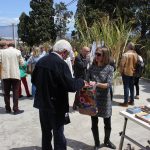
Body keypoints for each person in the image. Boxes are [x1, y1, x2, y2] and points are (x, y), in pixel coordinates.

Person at [31, 39, 85, 150]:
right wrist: (82, 82)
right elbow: (71, 86)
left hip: (43, 104)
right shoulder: (61, 64)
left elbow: (34, 80)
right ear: (63, 51)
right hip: (56, 106)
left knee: (46, 133)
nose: (67, 57)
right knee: (58, 134)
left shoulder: (41, 61)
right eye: (67, 54)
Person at [86, 47, 116, 150]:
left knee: (107, 122)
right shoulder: (91, 67)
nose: (96, 56)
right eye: (96, 54)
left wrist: (96, 83)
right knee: (94, 122)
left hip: (105, 99)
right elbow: (86, 79)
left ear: (105, 56)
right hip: (93, 98)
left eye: (99, 54)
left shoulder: (110, 69)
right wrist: (87, 84)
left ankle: (107, 141)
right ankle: (97, 143)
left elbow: (108, 84)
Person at [0, 43, 24, 114]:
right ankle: (15, 109)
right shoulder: (17, 51)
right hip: (15, 74)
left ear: (8, 46)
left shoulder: (2, 52)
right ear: (14, 46)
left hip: (5, 74)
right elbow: (22, 63)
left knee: (6, 92)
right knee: (15, 92)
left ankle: (7, 108)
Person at [119, 42, 138, 107]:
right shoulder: (136, 54)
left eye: (127, 45)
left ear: (129, 47)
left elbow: (122, 64)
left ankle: (126, 102)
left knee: (126, 87)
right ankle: (132, 101)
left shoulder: (125, 54)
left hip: (126, 72)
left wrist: (121, 72)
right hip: (133, 72)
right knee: (131, 87)